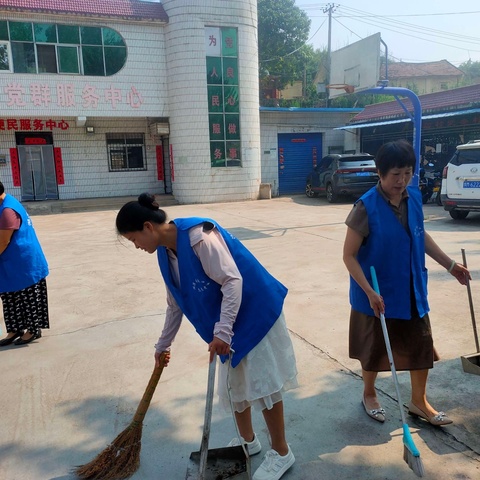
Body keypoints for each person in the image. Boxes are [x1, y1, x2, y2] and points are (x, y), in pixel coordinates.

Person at [116, 193, 298, 480]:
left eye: (133, 239)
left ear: (148, 227)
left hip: (254, 312)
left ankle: (282, 452)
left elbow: (232, 280)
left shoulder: (199, 237)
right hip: (226, 321)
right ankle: (248, 441)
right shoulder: (165, 252)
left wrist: (223, 330)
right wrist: (163, 344)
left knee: (263, 386)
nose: (136, 246)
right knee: (234, 386)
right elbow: (175, 302)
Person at [343, 140, 470, 426]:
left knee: (421, 344)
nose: (402, 181)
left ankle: (419, 402)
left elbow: (420, 234)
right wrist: (369, 291)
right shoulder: (365, 207)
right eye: (395, 175)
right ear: (380, 173)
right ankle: (369, 393)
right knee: (374, 348)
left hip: (412, 288)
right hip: (376, 293)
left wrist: (449, 265)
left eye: (407, 173)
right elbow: (349, 256)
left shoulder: (412, 197)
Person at [0, 181, 50, 346]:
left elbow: (3, 241)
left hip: (23, 262)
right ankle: (15, 330)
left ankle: (32, 330)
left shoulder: (7, 210)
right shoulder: (5, 202)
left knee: (26, 298)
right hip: (10, 262)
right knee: (9, 297)